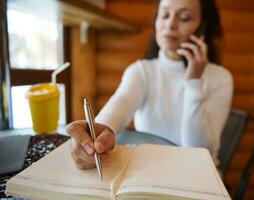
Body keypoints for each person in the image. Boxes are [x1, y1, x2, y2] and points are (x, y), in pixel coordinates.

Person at [66, 0, 233, 169]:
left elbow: (198, 151)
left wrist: (193, 83)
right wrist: (99, 131)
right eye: (165, 15)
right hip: (152, 171)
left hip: (200, 175)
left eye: (184, 17)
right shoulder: (141, 71)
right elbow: (121, 102)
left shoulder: (220, 78)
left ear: (203, 26)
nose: (170, 24)